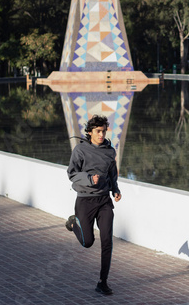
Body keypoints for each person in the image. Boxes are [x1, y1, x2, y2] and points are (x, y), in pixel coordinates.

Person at [65, 114, 122, 295]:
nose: (101, 135)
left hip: (104, 200)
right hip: (85, 200)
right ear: (90, 132)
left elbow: (112, 173)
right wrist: (89, 178)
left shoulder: (109, 151)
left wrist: (115, 189)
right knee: (88, 242)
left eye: (104, 131)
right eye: (98, 131)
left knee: (107, 241)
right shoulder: (80, 151)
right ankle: (74, 223)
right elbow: (72, 173)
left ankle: (102, 282)